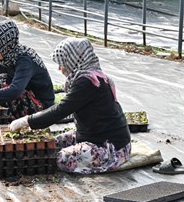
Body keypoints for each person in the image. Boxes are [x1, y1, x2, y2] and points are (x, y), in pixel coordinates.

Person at [9, 37, 132, 174]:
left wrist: (27, 120)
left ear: (73, 60)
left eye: (63, 63)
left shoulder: (88, 82)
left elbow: (60, 110)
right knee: (51, 143)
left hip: (111, 147)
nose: (60, 69)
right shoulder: (93, 76)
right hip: (94, 136)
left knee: (62, 158)